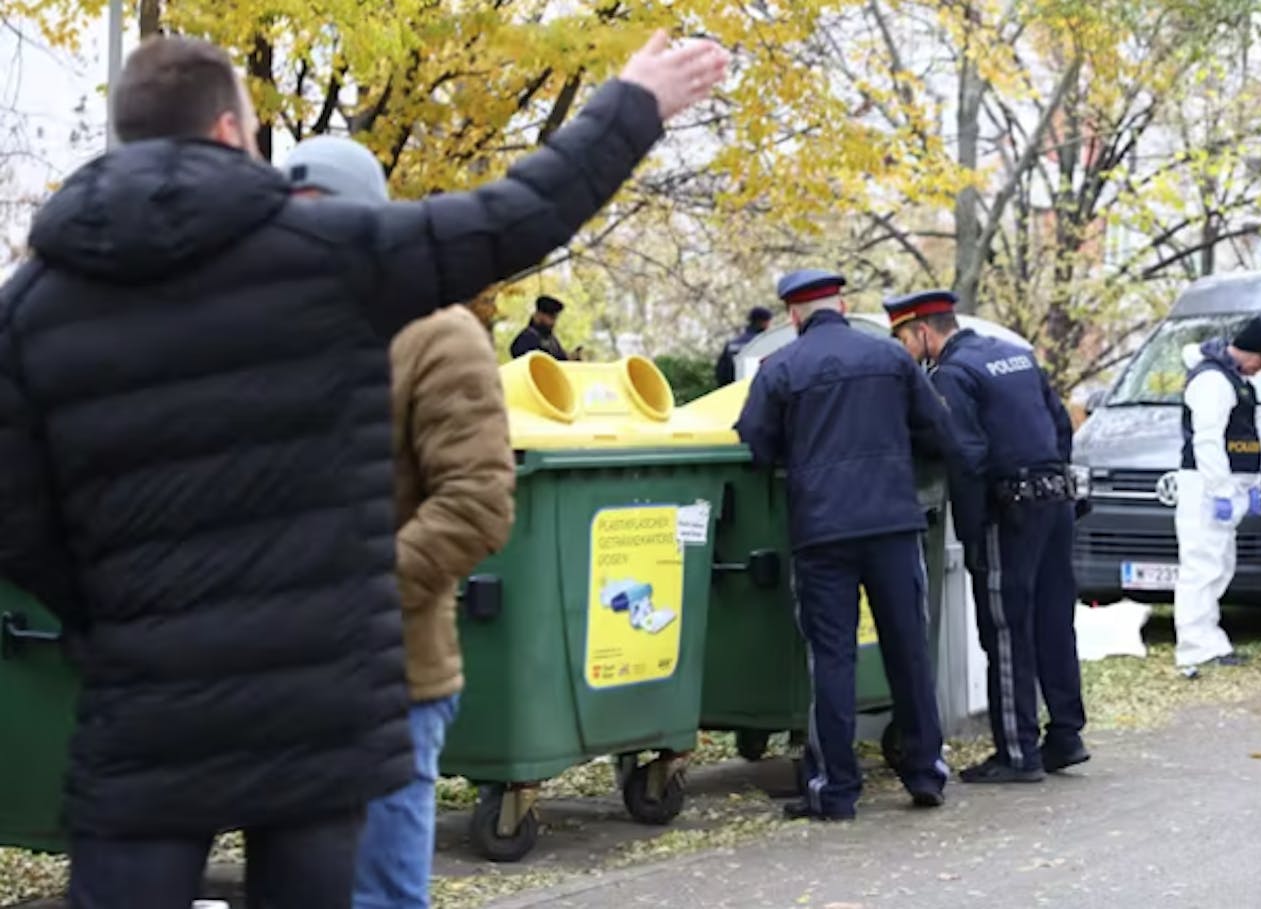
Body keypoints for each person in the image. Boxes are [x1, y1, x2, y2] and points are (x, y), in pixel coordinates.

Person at [0, 32, 726, 907]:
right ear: (233, 132)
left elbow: (15, 512)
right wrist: (633, 101)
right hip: (316, 701)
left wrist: (111, 609)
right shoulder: (327, 253)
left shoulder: (34, 304)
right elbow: (514, 216)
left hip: (146, 705)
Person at [285, 136, 516, 909]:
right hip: (282, 680)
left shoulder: (437, 334)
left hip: (393, 678)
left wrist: (348, 595)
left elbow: (477, 504)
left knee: (379, 896)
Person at [734, 268, 952, 821]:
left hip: (823, 531)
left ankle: (836, 791)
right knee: (908, 647)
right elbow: (936, 427)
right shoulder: (891, 357)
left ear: (792, 315)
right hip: (893, 524)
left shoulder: (779, 367)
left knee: (832, 656)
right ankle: (925, 771)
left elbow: (755, 444)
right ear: (843, 303)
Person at [886, 290, 1089, 784]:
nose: (905, 353)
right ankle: (1065, 735)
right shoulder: (1015, 356)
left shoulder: (954, 375)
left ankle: (1017, 753)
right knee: (1052, 621)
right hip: (1054, 500)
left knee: (1004, 628)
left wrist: (975, 532)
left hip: (1009, 510)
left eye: (904, 341)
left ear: (924, 333)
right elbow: (1061, 426)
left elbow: (968, 455)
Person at [1173, 318, 1261, 679]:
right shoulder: (1213, 381)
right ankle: (1194, 645)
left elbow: (1244, 438)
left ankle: (1210, 639)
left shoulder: (1234, 380)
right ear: (1251, 351)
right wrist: (1220, 490)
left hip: (1224, 486)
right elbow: (1207, 440)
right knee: (1201, 565)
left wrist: (1250, 486)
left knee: (1218, 564)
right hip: (1206, 486)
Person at [715, 305, 773, 384]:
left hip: (735, 389)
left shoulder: (732, 344)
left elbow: (722, 373)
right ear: (763, 322)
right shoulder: (767, 343)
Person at [509, 294, 570, 360]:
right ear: (538, 315)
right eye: (551, 317)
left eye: (555, 318)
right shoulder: (525, 337)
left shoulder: (552, 340)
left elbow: (561, 358)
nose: (553, 322)